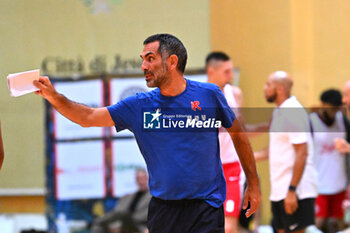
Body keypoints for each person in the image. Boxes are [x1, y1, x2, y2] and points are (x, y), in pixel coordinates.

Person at [33, 33, 261, 233]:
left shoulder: (210, 95)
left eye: (150, 59)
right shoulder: (139, 106)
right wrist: (54, 96)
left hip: (206, 208)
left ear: (172, 62)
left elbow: (238, 135)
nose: (143, 66)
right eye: (143, 60)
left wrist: (253, 183)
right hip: (164, 210)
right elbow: (88, 117)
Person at [255, 71, 318, 233]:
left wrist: (292, 191)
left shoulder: (293, 111)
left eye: (268, 84)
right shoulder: (279, 111)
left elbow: (302, 153)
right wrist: (243, 158)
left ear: (280, 89)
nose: (264, 88)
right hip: (279, 191)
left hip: (296, 191)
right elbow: (275, 150)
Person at [206, 51, 244, 233]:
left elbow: (241, 132)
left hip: (230, 167)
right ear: (211, 71)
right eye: (226, 71)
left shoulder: (235, 94)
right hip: (206, 169)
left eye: (231, 71)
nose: (231, 76)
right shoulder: (198, 97)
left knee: (229, 227)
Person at [310, 89, 347, 232]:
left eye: (337, 107)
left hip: (340, 183)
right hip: (319, 184)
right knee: (317, 225)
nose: (335, 111)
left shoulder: (342, 120)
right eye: (332, 107)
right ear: (323, 104)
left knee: (337, 225)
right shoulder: (311, 122)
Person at [91, 169, 151, 233]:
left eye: (144, 178)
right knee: (99, 225)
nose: (141, 181)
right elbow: (116, 212)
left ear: (149, 179)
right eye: (138, 179)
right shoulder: (127, 197)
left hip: (139, 225)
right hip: (121, 221)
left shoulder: (153, 198)